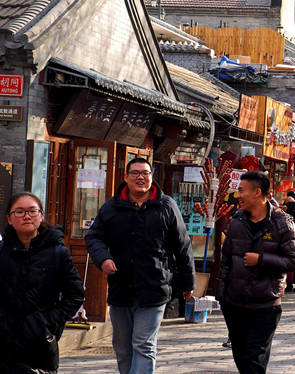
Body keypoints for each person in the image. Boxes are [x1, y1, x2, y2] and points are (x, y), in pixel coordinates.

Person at [86, 158, 195, 374]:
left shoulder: (166, 205)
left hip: (154, 287)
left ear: (151, 177)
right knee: (122, 347)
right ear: (126, 177)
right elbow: (94, 236)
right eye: (135, 173)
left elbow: (182, 245)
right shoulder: (112, 206)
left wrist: (188, 283)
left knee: (143, 344)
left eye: (145, 173)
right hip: (120, 287)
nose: (140, 177)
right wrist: (103, 258)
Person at [217, 171, 295, 374]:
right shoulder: (237, 221)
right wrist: (222, 297)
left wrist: (261, 259)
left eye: (241, 191)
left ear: (257, 192)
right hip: (234, 303)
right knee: (240, 357)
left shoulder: (282, 223)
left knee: (254, 359)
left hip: (266, 304)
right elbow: (226, 261)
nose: (238, 196)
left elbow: (294, 260)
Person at [0, 192, 85, 373]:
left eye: (32, 211)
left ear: (41, 215)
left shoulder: (57, 253)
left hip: (39, 347)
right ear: (9, 219)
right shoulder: (1, 252)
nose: (27, 216)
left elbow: (75, 295)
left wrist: (47, 322)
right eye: (19, 212)